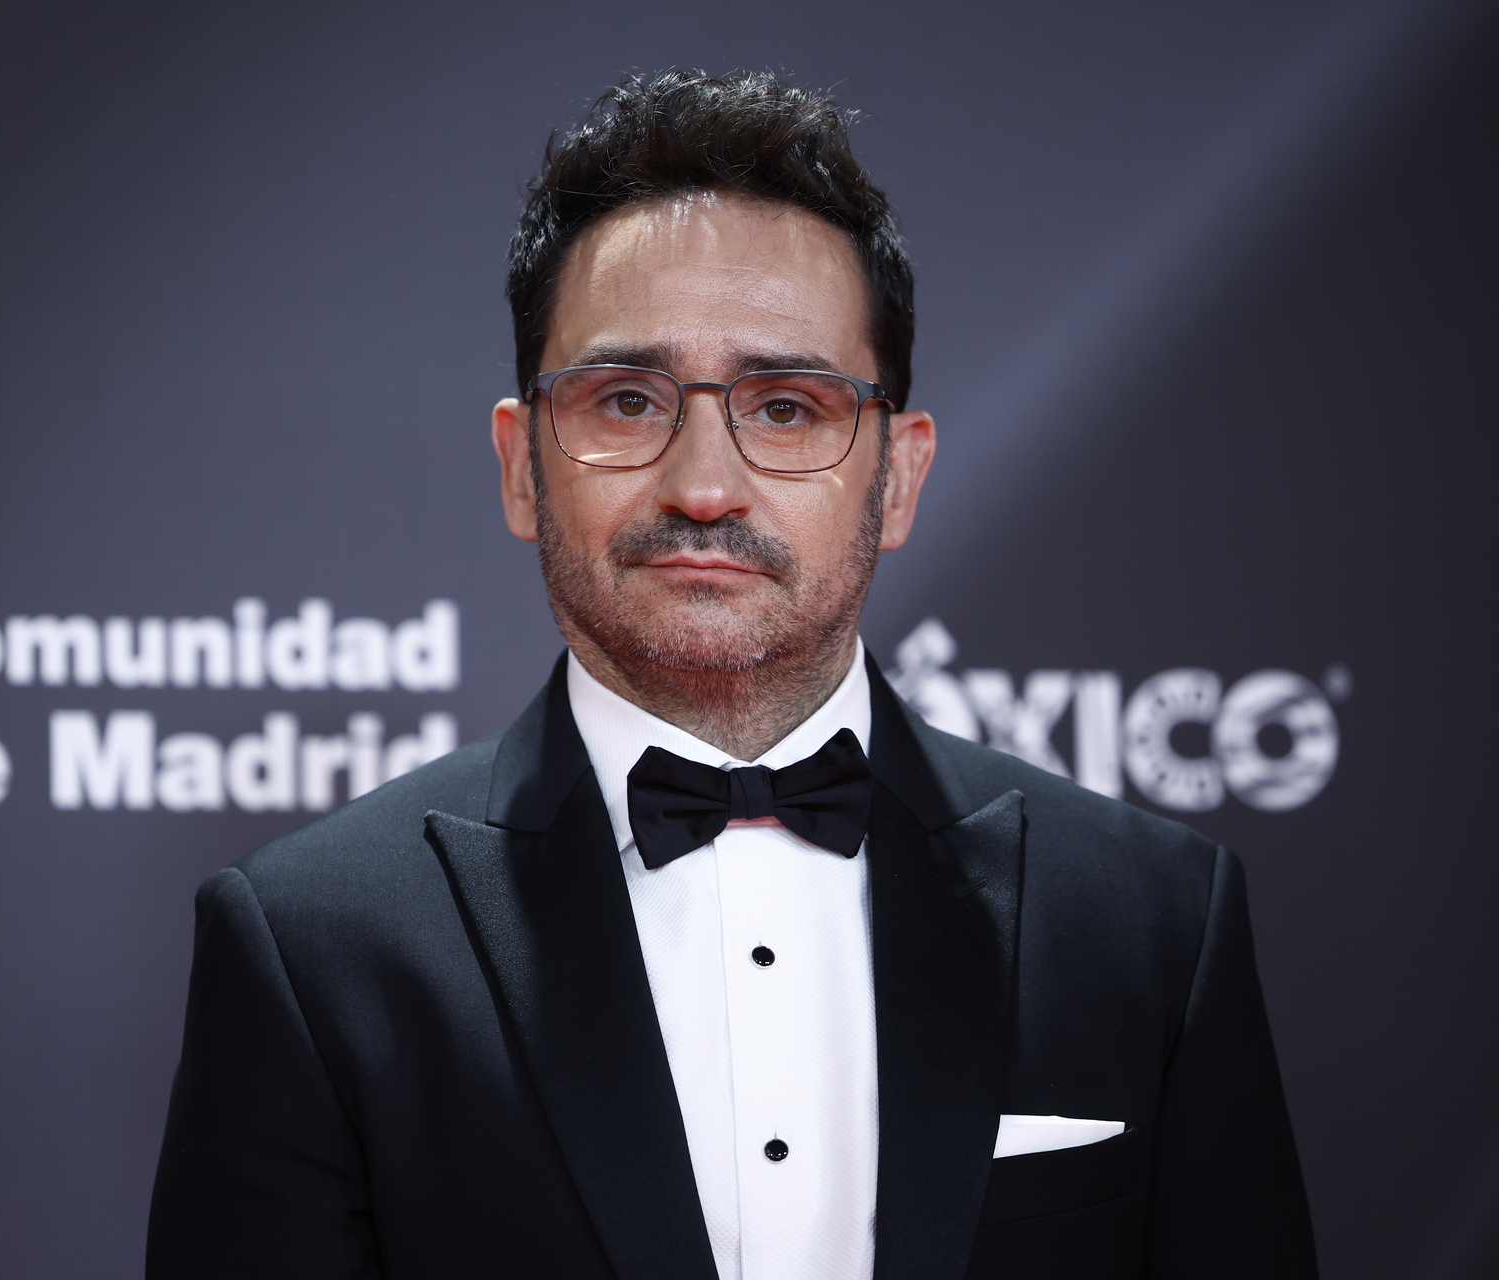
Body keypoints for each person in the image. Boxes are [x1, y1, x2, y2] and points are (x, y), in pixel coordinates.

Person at [146, 70, 1317, 1280]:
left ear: (898, 477)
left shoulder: (1155, 922)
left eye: (788, 407)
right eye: (627, 399)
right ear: (521, 465)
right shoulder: (312, 946)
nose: (704, 486)